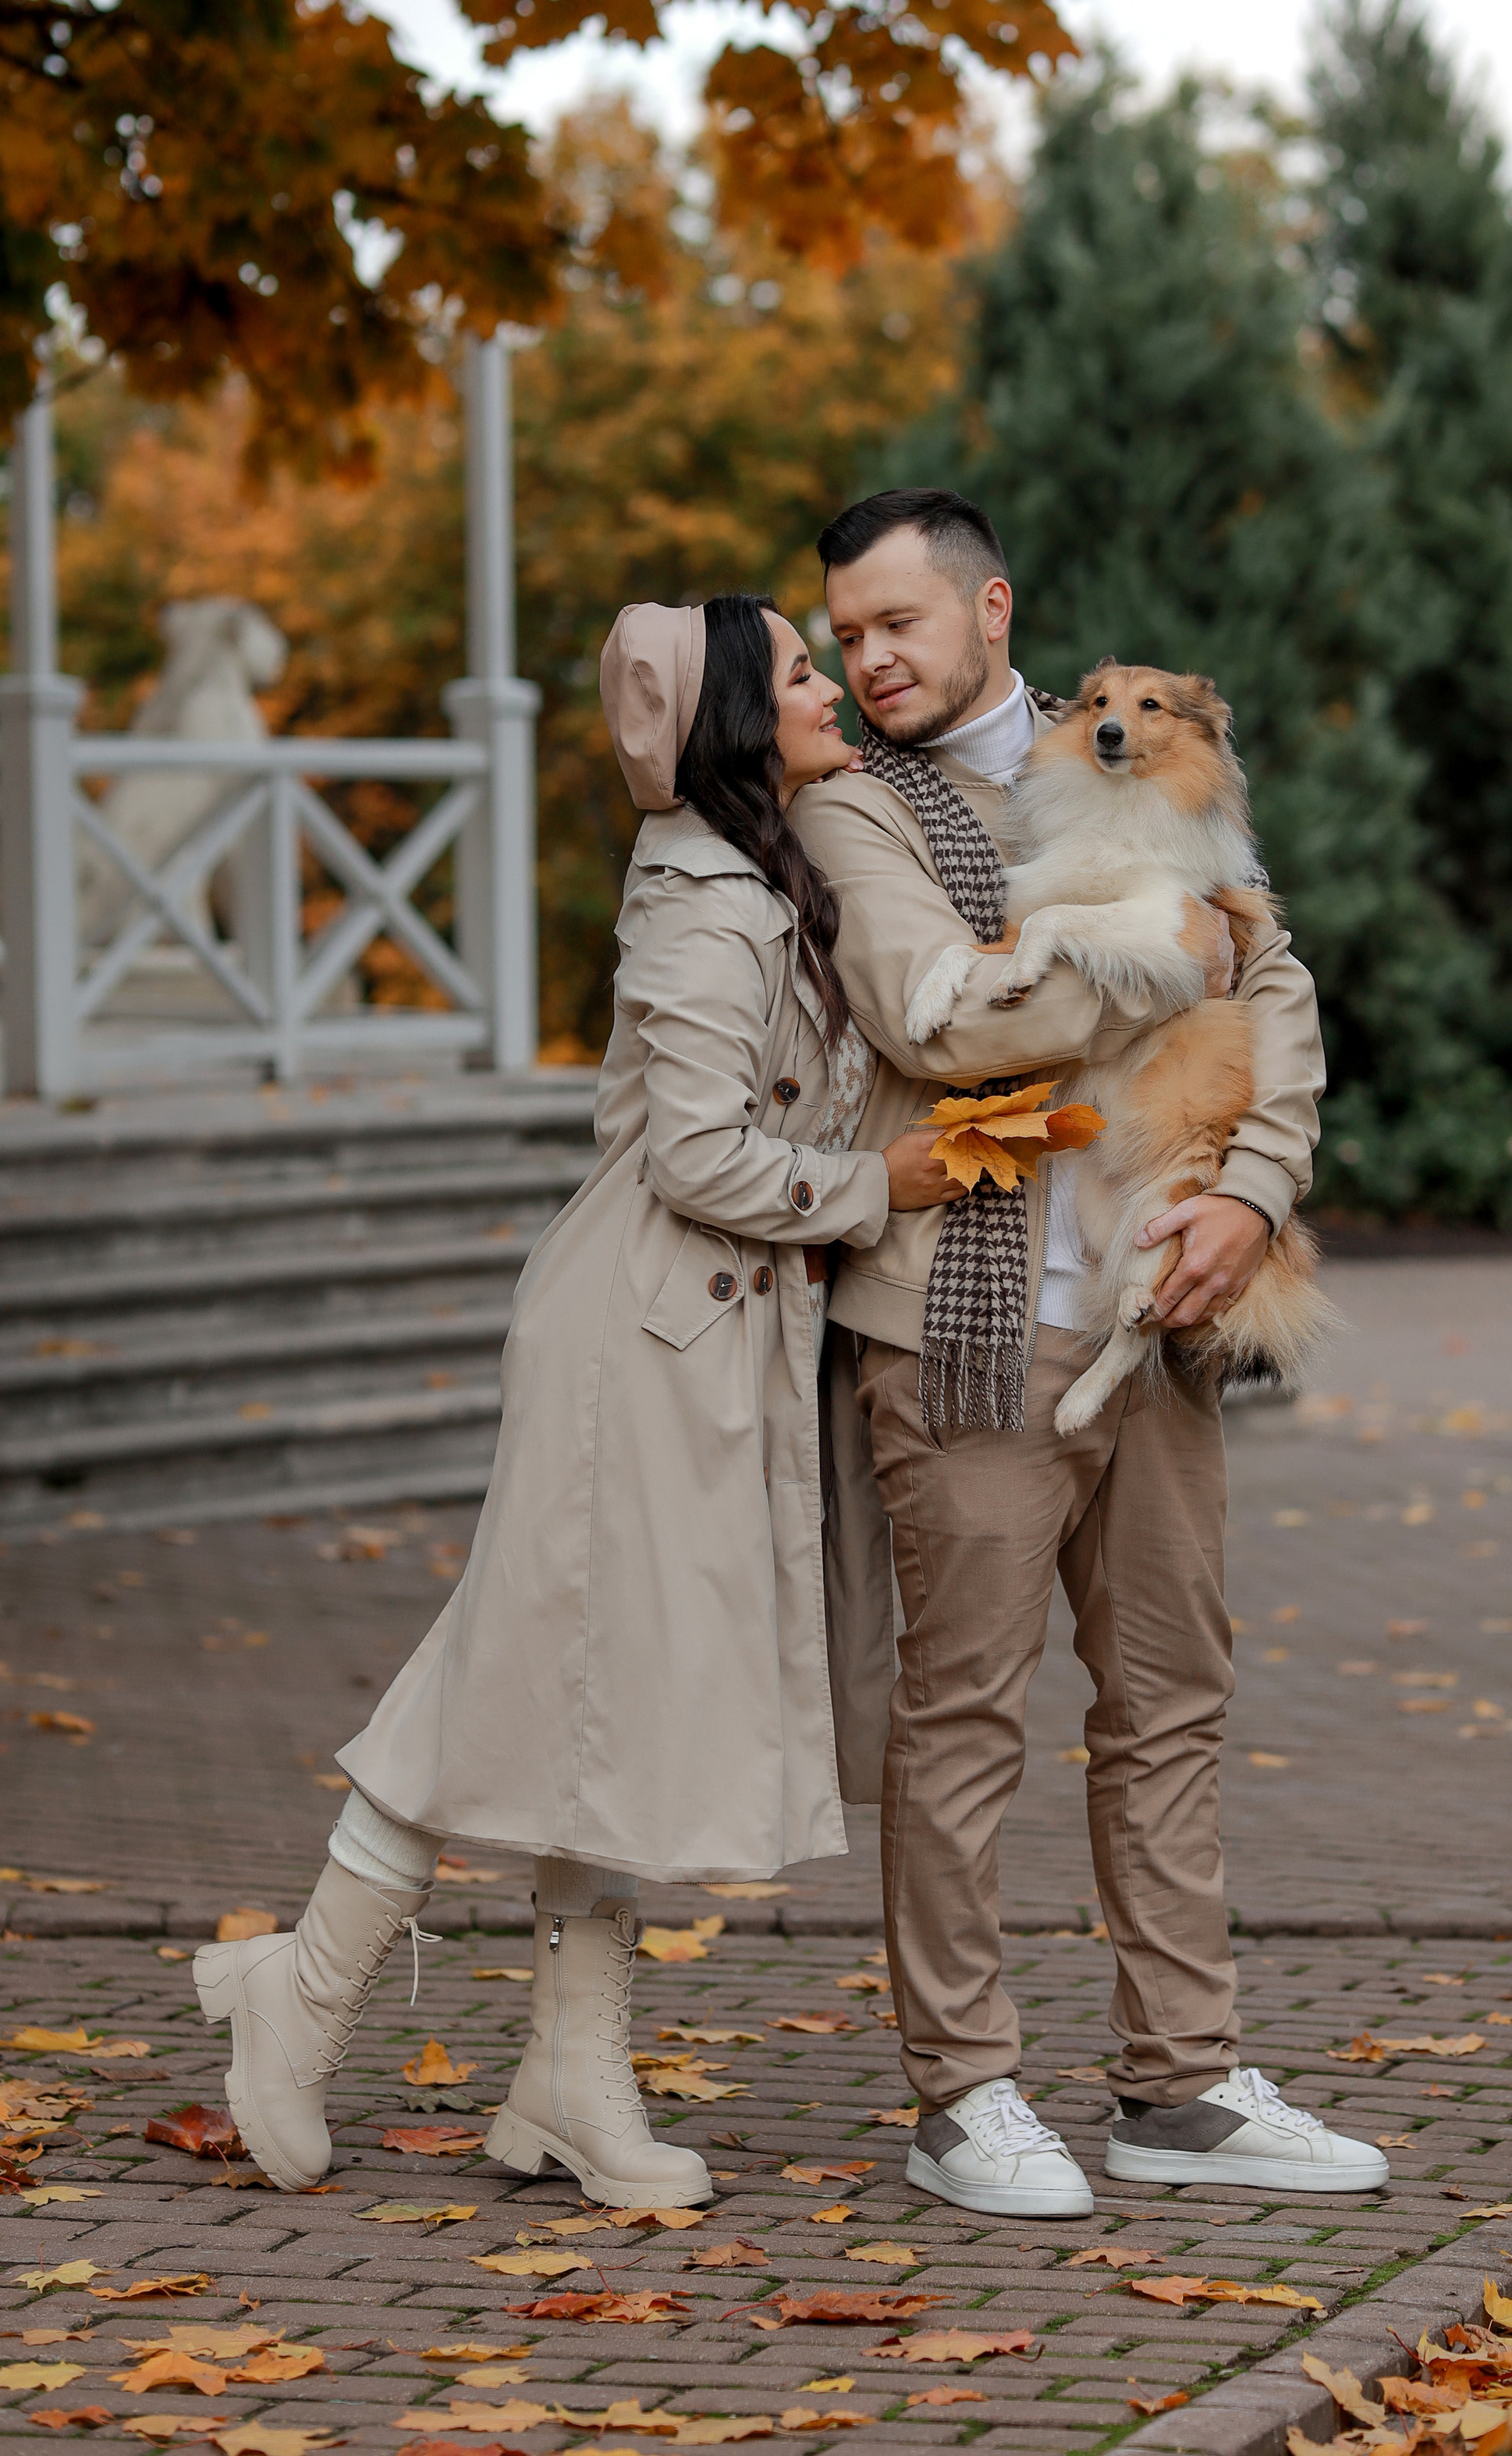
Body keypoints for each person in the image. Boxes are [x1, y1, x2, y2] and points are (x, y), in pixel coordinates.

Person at [193, 594, 951, 2205]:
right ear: (737, 711)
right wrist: (870, 1186)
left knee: (613, 1712)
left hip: (694, 1342)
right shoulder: (699, 897)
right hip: (635, 1342)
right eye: (801, 670)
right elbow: (694, 1156)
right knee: (512, 1682)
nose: (827, 685)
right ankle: (304, 1994)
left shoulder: (762, 872)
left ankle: (563, 2074)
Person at [795, 487, 1390, 2216]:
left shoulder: (1148, 755)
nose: (868, 659)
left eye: (895, 623)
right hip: (964, 1332)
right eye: (843, 636)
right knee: (963, 1714)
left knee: (1170, 1705)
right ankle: (962, 2093)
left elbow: (1274, 1003)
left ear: (991, 608)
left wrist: (1254, 1195)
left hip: (1159, 1313)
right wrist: (1178, 944)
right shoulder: (862, 816)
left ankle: (1179, 2085)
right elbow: (947, 1014)